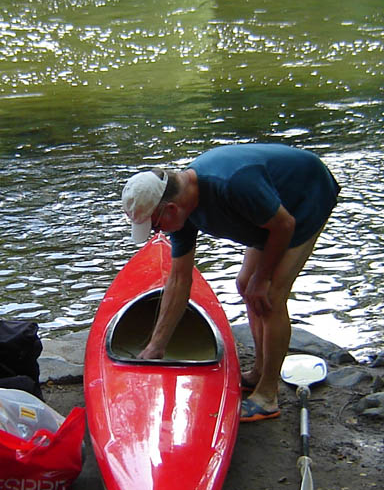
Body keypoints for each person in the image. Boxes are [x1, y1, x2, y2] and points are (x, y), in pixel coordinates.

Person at [120, 143, 339, 423]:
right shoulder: (181, 209)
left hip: (304, 197)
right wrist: (156, 346)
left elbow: (284, 225)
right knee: (245, 283)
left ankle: (267, 395)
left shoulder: (233, 183)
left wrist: (264, 278)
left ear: (171, 209)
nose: (157, 233)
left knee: (269, 295)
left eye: (156, 226)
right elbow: (178, 280)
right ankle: (259, 372)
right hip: (267, 214)